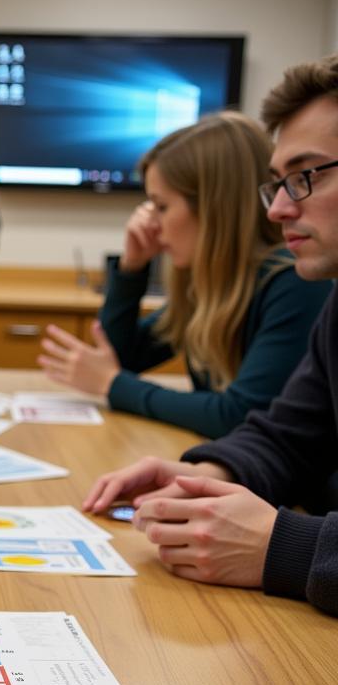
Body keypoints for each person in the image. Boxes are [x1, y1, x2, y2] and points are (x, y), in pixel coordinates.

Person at [83, 54, 338, 618]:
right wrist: (209, 472)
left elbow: (239, 409)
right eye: (277, 183)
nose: (277, 208)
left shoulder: (296, 285)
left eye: (306, 176)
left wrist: (282, 545)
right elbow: (285, 435)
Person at [38, 112, 330, 438]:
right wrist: (131, 268)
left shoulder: (295, 284)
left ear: (211, 208)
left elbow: (239, 415)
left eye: (161, 206)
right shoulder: (214, 283)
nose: (150, 222)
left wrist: (112, 384)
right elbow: (121, 357)